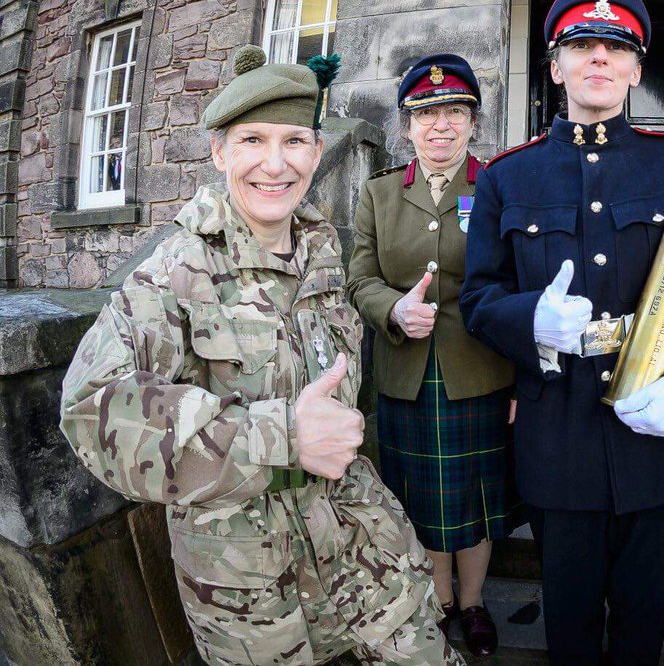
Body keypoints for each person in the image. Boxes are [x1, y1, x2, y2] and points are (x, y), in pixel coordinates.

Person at [59, 45, 462, 666]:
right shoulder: (176, 274)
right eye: (252, 140)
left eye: (295, 141)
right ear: (219, 152)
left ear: (317, 152)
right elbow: (92, 413)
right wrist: (280, 437)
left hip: (365, 558)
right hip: (254, 593)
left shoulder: (324, 256)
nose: (275, 164)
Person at [460, 0, 664, 665]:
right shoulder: (506, 177)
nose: (599, 58)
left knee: (645, 619)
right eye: (582, 44)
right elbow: (477, 297)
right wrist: (532, 320)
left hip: (659, 436)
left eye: (615, 48)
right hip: (557, 441)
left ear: (636, 68)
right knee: (570, 621)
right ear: (555, 64)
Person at [347, 53, 518, 657]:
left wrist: (523, 381)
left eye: (454, 111)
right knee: (419, 498)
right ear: (406, 126)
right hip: (406, 375)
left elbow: (519, 283)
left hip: (482, 371)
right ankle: (438, 598)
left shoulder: (497, 185)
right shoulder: (379, 193)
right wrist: (392, 310)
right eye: (425, 114)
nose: (440, 125)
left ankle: (472, 603)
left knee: (476, 496)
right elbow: (359, 279)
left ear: (473, 121)